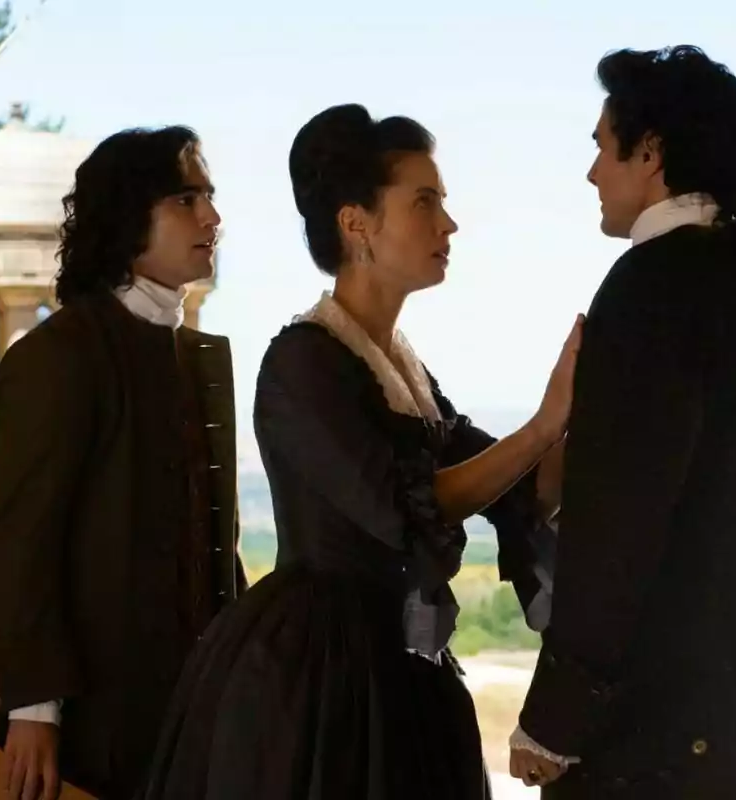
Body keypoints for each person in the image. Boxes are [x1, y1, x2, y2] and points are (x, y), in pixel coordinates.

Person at [140, 103, 579, 800]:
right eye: (426, 202)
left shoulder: (402, 367)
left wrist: (584, 413)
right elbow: (404, 506)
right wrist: (541, 424)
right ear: (356, 224)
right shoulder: (304, 361)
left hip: (402, 660)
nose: (448, 224)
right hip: (313, 672)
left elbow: (518, 486)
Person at [508, 46, 736, 799]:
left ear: (652, 151)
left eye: (602, 148)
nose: (592, 174)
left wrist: (556, 717)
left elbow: (617, 525)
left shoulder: (651, 288)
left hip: (673, 728)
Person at [0, 125, 246, 800]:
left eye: (209, 197)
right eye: (187, 199)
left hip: (192, 714)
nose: (212, 216)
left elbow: (213, 541)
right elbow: (19, 544)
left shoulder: (195, 358)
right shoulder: (59, 355)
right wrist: (34, 710)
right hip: (87, 721)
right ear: (128, 217)